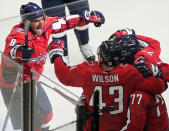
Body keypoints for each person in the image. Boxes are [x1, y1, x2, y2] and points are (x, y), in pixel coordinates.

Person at [0, 2, 105, 130]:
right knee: (23, 123)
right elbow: (9, 51)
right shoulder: (19, 34)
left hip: (32, 80)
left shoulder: (46, 24)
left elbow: (64, 22)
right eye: (35, 21)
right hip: (13, 86)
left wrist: (85, 17)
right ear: (26, 22)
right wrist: (18, 52)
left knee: (47, 115)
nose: (40, 23)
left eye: (41, 19)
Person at [47, 38, 167, 131]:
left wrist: (57, 54)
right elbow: (160, 86)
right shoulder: (130, 73)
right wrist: (155, 70)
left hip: (94, 127)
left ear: (101, 58)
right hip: (122, 126)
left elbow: (63, 75)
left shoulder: (86, 71)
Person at [108, 28, 169, 131]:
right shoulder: (119, 61)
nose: (112, 48)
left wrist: (155, 70)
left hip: (147, 120)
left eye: (116, 43)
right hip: (148, 117)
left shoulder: (143, 58)